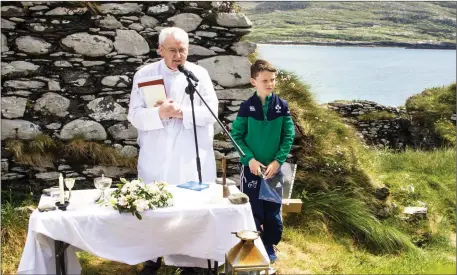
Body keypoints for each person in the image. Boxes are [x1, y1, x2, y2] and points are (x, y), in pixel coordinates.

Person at [127, 27, 218, 275]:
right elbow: (134, 115)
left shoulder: (199, 74)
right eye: (173, 50)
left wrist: (181, 112)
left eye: (183, 50)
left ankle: (192, 260)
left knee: (189, 209)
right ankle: (152, 257)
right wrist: (159, 113)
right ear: (160, 50)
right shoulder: (144, 74)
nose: (179, 56)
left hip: (190, 155)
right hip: (157, 155)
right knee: (153, 208)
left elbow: (212, 113)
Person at [231, 59, 295, 263]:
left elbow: (288, 136)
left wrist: (278, 161)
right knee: (252, 209)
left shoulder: (282, 107)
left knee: (273, 212)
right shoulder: (246, 107)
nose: (270, 84)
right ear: (253, 81)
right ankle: (251, 245)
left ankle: (269, 245)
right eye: (265, 80)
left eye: (273, 80)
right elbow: (236, 136)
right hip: (251, 169)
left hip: (275, 170)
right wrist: (249, 159)